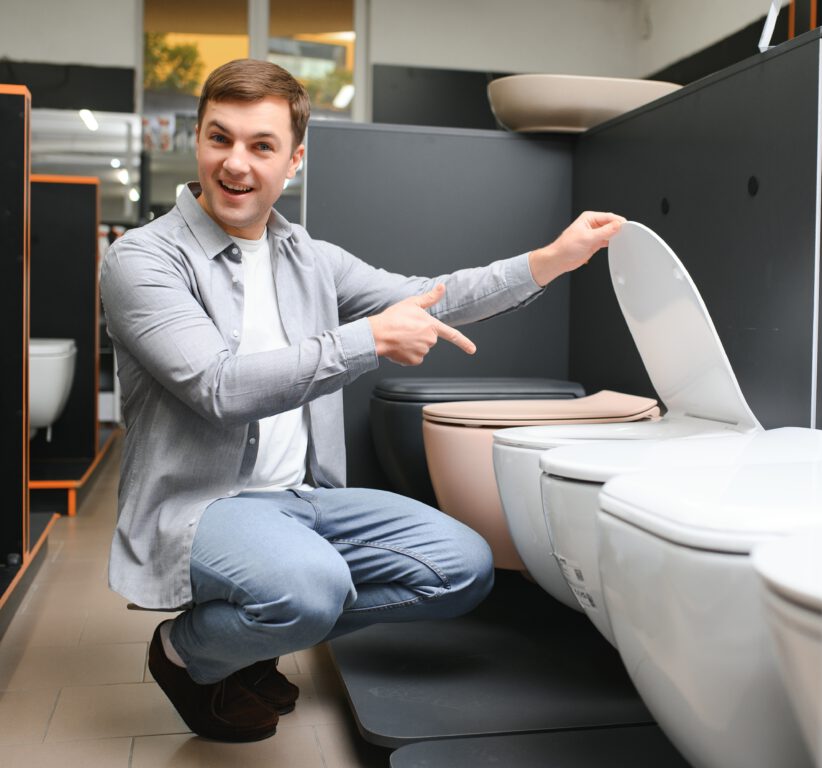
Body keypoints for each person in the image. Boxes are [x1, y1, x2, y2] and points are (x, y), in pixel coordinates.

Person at [100, 58, 624, 743]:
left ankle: (249, 644)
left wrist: (551, 259)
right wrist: (368, 340)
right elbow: (218, 387)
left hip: (302, 496)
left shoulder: (307, 257)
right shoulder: (144, 259)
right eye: (219, 138)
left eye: (261, 146)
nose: (235, 164)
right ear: (196, 139)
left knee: (460, 567)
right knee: (310, 590)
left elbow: (433, 293)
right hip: (202, 504)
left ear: (294, 158)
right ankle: (185, 653)